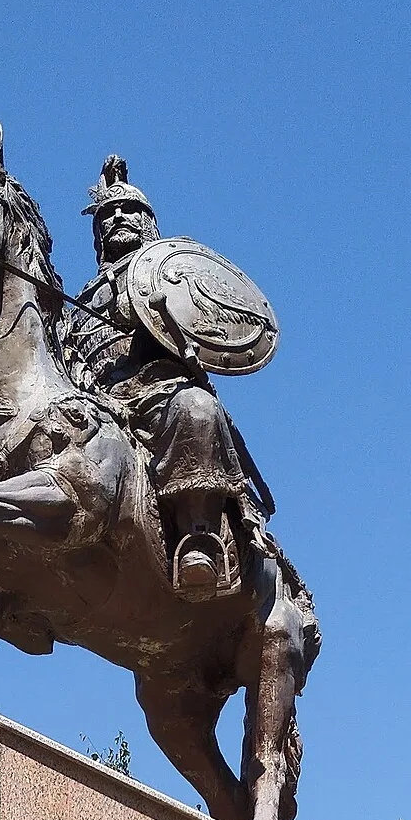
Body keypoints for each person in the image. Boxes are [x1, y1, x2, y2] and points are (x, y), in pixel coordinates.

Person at [62, 158, 269, 596]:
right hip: (91, 401)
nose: (116, 217)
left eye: (127, 211)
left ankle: (199, 538)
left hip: (156, 394)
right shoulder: (77, 297)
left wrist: (160, 315)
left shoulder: (167, 273)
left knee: (198, 407)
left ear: (148, 223)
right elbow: (37, 344)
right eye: (106, 215)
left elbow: (206, 325)